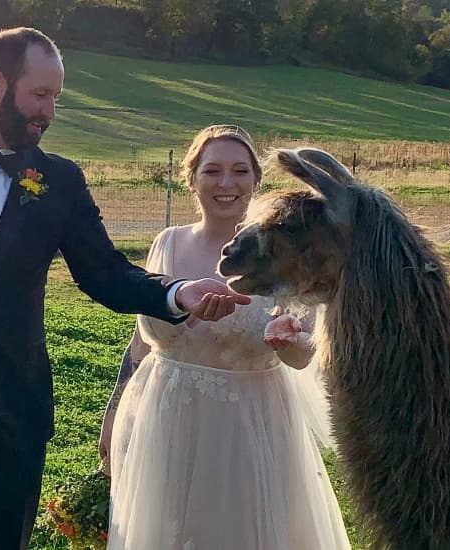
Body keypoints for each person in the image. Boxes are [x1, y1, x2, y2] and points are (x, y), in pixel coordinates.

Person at [0, 28, 252, 550]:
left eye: (55, 97)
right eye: (40, 95)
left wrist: (176, 293)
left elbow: (106, 272)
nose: (49, 111)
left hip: (14, 420)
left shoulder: (59, 180)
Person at [98, 124, 353, 549]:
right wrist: (113, 413)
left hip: (249, 426)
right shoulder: (169, 243)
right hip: (165, 416)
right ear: (192, 179)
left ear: (256, 179)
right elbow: (142, 342)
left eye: (239, 171)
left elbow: (305, 354)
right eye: (212, 171)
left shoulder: (288, 254)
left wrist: (288, 343)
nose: (226, 183)